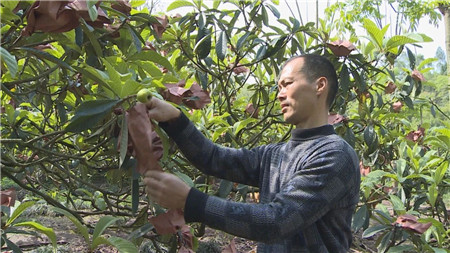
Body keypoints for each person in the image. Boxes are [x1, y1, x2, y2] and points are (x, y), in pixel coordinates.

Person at [143, 54, 361, 253]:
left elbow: (278, 221)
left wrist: (191, 201)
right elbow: (215, 159)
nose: (280, 94)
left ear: (319, 85)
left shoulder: (335, 155)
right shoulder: (275, 154)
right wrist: (175, 121)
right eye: (278, 87)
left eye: (287, 84)